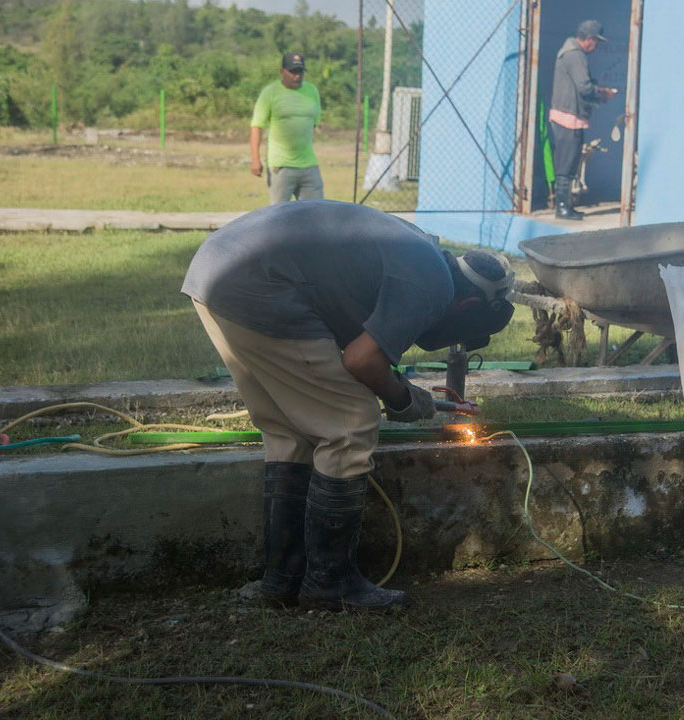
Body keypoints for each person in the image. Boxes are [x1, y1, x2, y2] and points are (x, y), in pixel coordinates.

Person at [181, 200, 515, 612]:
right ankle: (330, 583)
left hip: (217, 268)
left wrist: (400, 388)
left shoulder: (420, 250)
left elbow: (355, 351)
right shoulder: (433, 284)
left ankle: (282, 580)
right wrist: (403, 400)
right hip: (260, 285)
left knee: (290, 431)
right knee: (351, 423)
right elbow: (361, 361)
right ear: (466, 308)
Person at [548, 19, 618, 221]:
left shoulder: (568, 53)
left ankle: (565, 205)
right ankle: (562, 207)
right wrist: (602, 94)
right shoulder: (575, 56)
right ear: (589, 39)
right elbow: (585, 87)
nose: (595, 47)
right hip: (568, 117)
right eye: (596, 42)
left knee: (568, 162)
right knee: (566, 163)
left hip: (567, 116)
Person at [250, 51, 324, 204]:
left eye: (300, 71)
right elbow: (257, 127)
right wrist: (255, 159)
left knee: (316, 213)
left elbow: (314, 124)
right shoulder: (270, 93)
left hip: (309, 164)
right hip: (281, 167)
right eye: (292, 72)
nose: (297, 76)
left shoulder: (312, 91)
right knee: (279, 216)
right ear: (281, 71)